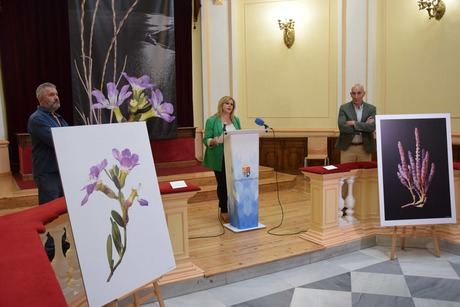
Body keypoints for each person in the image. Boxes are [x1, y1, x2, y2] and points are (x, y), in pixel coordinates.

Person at [28, 82, 68, 205]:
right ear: (41, 98)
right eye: (51, 95)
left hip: (61, 169)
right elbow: (57, 140)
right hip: (47, 173)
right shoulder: (37, 119)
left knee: (62, 208)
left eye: (56, 94)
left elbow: (69, 137)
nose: (56, 97)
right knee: (50, 209)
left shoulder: (58, 117)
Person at [202, 96, 241, 223]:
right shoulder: (212, 120)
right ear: (221, 105)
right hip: (219, 156)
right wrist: (214, 140)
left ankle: (235, 208)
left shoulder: (235, 120)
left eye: (231, 104)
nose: (230, 106)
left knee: (234, 183)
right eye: (227, 103)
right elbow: (206, 138)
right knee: (223, 183)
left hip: (234, 156)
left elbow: (240, 134)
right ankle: (224, 209)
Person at [336, 84, 376, 163]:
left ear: (363, 93)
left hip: (365, 148)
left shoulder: (371, 109)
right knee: (346, 174)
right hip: (348, 148)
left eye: (359, 93)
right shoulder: (344, 108)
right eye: (354, 93)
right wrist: (364, 125)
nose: (356, 96)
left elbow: (371, 127)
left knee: (364, 174)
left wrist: (354, 123)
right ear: (351, 94)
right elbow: (343, 127)